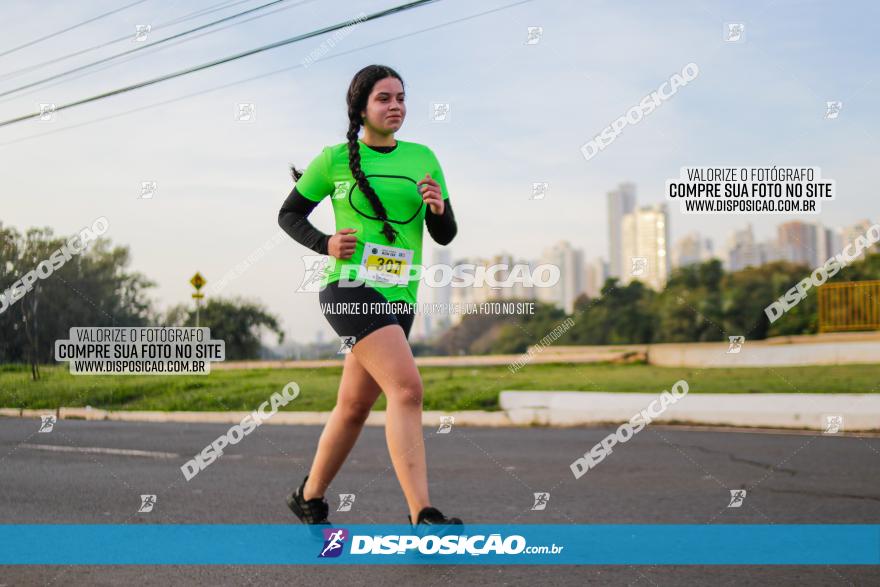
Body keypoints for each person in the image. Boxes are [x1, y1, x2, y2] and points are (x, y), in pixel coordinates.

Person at [277, 64, 462, 528]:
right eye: (384, 98)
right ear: (361, 108)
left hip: (401, 296)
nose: (396, 105)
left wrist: (438, 209)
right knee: (407, 388)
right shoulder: (334, 160)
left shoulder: (423, 156)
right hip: (351, 290)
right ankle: (422, 512)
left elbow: (444, 234)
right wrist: (325, 243)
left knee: (355, 406)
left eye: (401, 97)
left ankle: (308, 495)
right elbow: (289, 213)